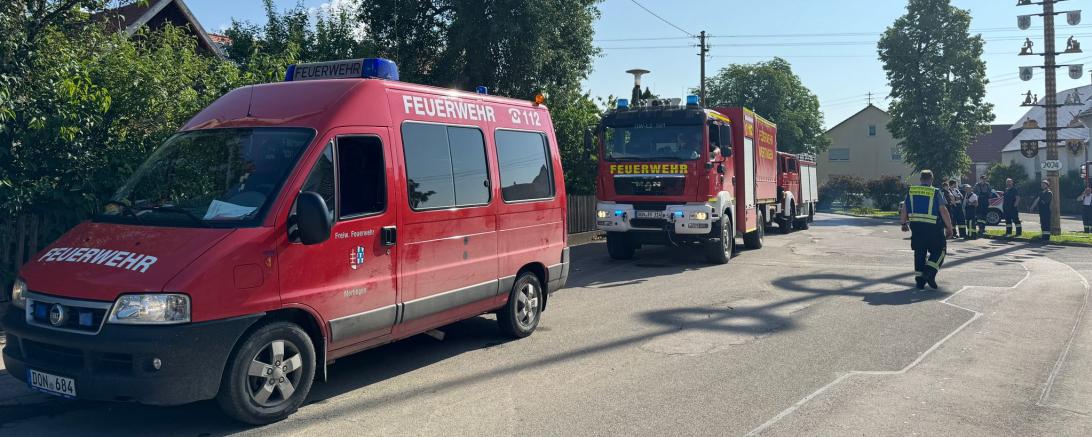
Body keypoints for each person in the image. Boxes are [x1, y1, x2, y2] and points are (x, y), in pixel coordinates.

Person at [900, 170, 954, 290]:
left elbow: (904, 208)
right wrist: (949, 228)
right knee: (940, 251)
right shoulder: (935, 191)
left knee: (919, 253)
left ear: (920, 179)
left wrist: (903, 223)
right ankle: (929, 273)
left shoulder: (912, 191)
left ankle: (920, 281)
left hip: (917, 228)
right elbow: (943, 210)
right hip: (933, 228)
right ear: (931, 179)